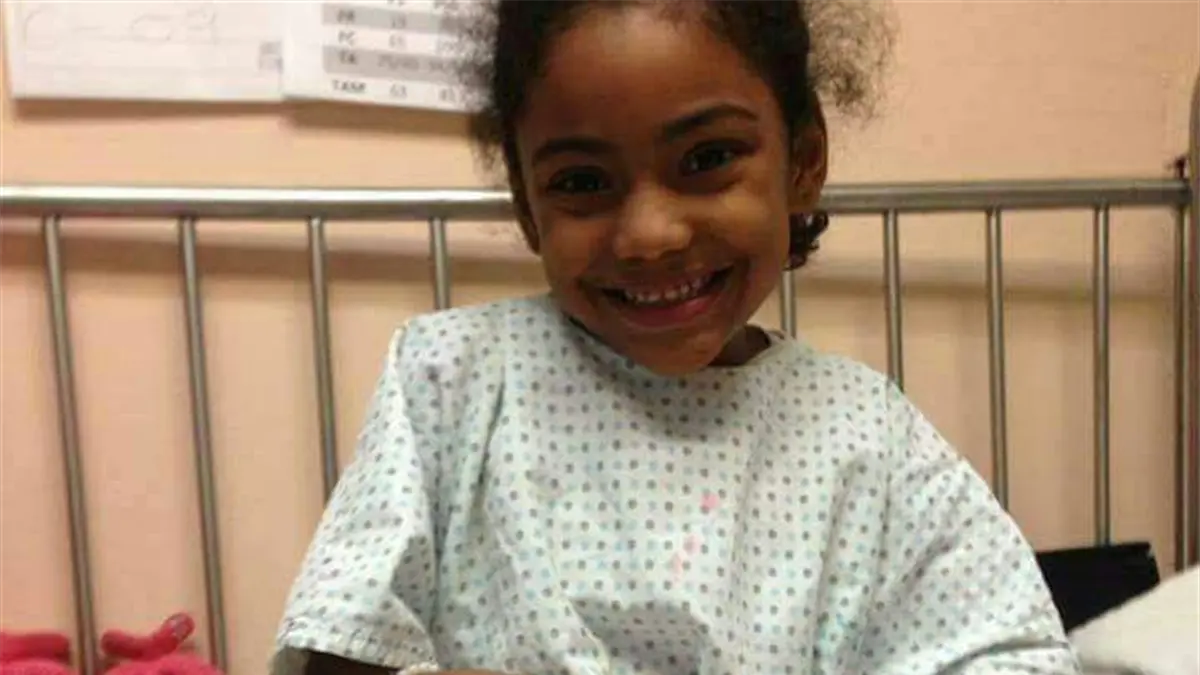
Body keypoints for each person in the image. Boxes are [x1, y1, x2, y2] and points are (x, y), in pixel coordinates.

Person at [271, 1, 1079, 673]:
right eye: (582, 182)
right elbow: (341, 643)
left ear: (803, 163)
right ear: (526, 205)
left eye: (708, 158)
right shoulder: (449, 384)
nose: (649, 234)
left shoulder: (868, 434)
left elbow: (1012, 652)